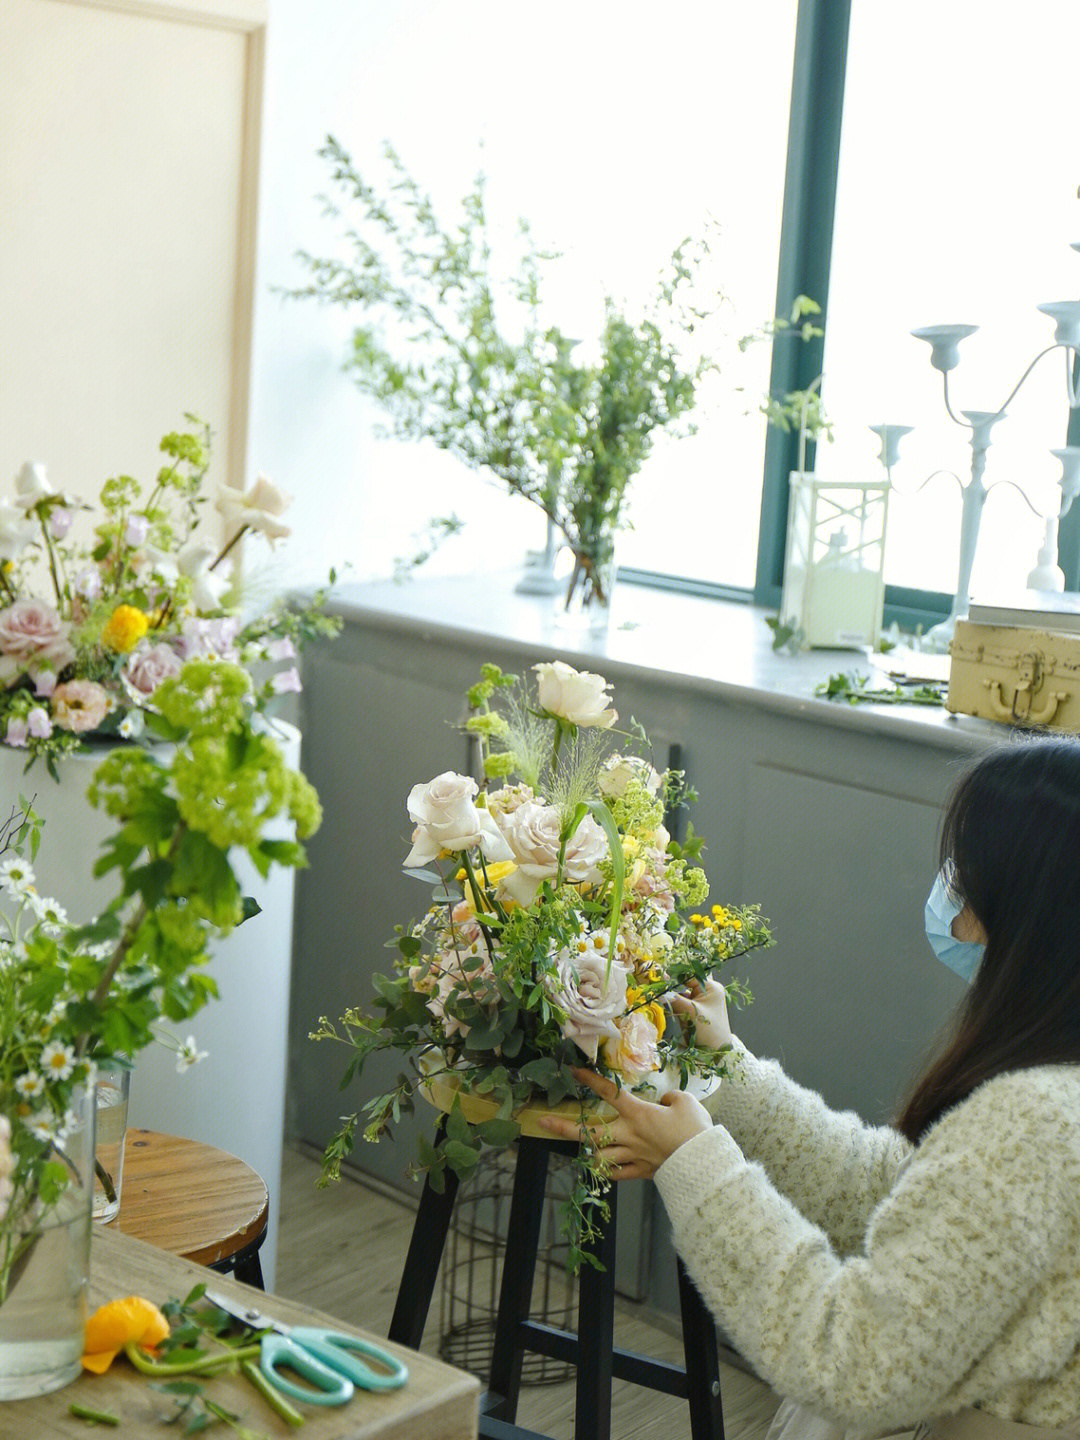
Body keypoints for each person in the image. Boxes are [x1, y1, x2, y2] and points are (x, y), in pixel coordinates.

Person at [539, 735, 1080, 1439]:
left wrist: (697, 1165)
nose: (951, 895)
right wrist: (731, 1077)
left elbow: (856, 1362)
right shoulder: (1046, 1092)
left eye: (966, 872)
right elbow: (895, 1191)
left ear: (1022, 906)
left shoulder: (1035, 1125)